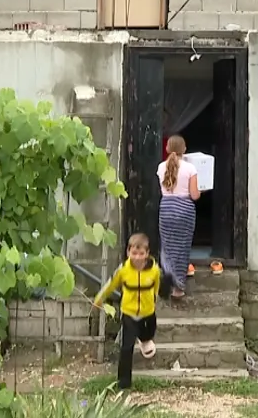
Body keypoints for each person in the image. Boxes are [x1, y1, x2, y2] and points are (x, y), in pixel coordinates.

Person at [93, 233, 161, 390]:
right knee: (126, 347)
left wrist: (153, 300)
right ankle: (123, 384)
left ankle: (144, 338)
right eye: (134, 253)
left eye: (141, 253)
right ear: (128, 252)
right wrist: (99, 299)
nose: (137, 257)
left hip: (148, 312)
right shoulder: (123, 270)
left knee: (149, 332)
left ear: (147, 253)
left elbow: (156, 286)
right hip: (129, 312)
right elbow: (110, 284)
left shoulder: (155, 270)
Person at [157, 135, 200, 300]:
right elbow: (194, 195)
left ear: (167, 148)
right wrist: (202, 190)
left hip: (166, 208)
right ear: (185, 149)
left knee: (167, 246)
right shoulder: (190, 168)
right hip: (184, 210)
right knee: (181, 248)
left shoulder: (161, 167)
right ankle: (178, 288)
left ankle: (168, 272)